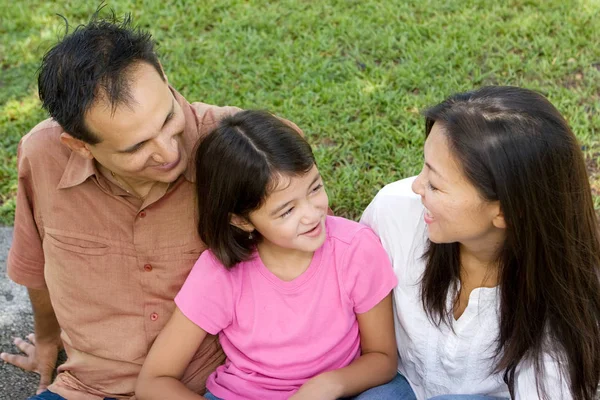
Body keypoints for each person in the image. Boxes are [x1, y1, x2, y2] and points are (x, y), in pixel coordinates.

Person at [0, 12, 303, 400]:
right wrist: (46, 340)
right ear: (79, 145)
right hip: (89, 388)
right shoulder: (41, 156)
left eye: (168, 118)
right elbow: (36, 265)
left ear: (161, 72)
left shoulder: (240, 148)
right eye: (137, 147)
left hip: (223, 386)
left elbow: (313, 262)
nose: (168, 151)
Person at [135, 110, 400, 400]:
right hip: (242, 396)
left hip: (339, 392)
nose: (312, 215)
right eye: (287, 210)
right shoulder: (220, 272)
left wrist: (327, 386)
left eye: (315, 188)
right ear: (242, 220)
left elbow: (382, 358)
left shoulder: (356, 249)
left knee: (391, 394)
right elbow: (155, 380)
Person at [361, 86, 600, 400]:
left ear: (504, 211)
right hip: (400, 385)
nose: (417, 187)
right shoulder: (394, 213)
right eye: (424, 167)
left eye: (434, 184)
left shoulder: (568, 294)